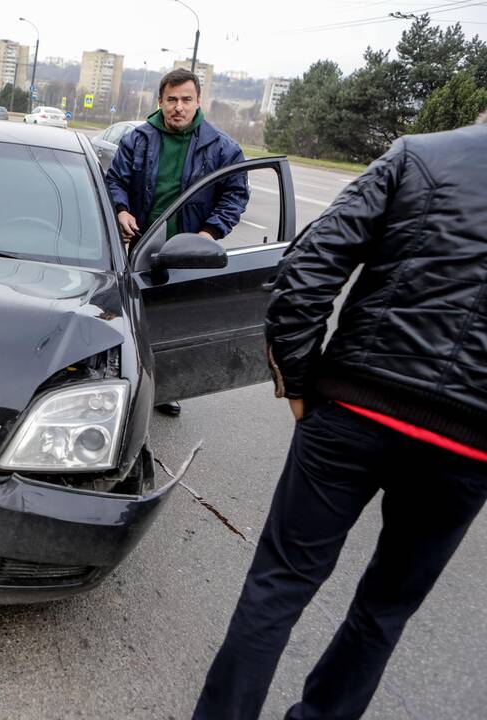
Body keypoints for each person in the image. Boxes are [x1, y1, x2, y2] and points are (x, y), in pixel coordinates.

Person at [193, 115, 487, 719]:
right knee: (384, 609)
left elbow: (309, 267)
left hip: (354, 411)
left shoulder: (419, 156)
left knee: (280, 582)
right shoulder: (414, 157)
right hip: (466, 448)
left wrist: (298, 380)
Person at [105, 68, 248, 416]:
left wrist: (208, 234)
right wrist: (121, 211)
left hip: (186, 251)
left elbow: (235, 195)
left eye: (186, 99)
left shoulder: (222, 148)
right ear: (160, 102)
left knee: (171, 321)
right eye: (172, 100)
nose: (178, 107)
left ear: (198, 101)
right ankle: (117, 383)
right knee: (129, 315)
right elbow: (115, 182)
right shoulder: (137, 139)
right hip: (138, 245)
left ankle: (165, 387)